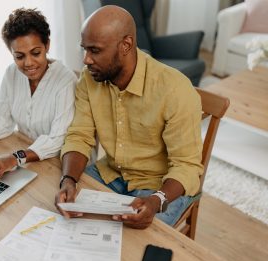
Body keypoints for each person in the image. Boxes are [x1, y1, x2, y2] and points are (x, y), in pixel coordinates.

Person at [55, 5, 204, 229]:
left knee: (134, 248)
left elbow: (187, 167)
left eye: (95, 50)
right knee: (64, 217)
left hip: (160, 186)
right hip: (111, 173)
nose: (86, 60)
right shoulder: (89, 79)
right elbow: (79, 136)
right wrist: (68, 180)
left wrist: (157, 201)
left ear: (125, 45)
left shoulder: (175, 89)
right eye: (84, 49)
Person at [0, 8, 76, 183]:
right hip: (27, 159)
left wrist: (14, 158)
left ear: (47, 45)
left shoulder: (66, 81)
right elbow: (0, 119)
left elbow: (57, 140)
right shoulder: (12, 73)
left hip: (59, 167)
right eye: (19, 56)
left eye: (36, 53)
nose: (29, 63)